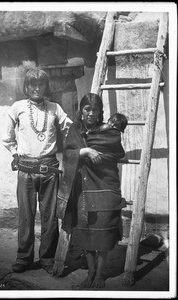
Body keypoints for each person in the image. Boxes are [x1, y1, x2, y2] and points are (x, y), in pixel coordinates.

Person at [2, 67, 72, 274]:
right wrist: (15, 153)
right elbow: (7, 137)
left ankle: (48, 257)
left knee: (50, 217)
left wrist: (81, 145)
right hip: (25, 170)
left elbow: (69, 128)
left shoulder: (55, 108)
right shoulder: (17, 107)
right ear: (26, 86)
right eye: (32, 84)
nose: (36, 88)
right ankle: (24, 258)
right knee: (26, 216)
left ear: (46, 86)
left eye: (40, 84)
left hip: (49, 170)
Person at [55, 93, 126, 289]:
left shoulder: (108, 131)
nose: (91, 114)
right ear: (81, 111)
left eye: (95, 110)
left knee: (102, 232)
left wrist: (100, 156)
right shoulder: (74, 131)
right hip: (82, 188)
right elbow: (67, 153)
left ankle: (100, 274)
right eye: (87, 109)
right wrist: (84, 152)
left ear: (100, 112)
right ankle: (90, 272)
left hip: (103, 186)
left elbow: (116, 152)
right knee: (85, 232)